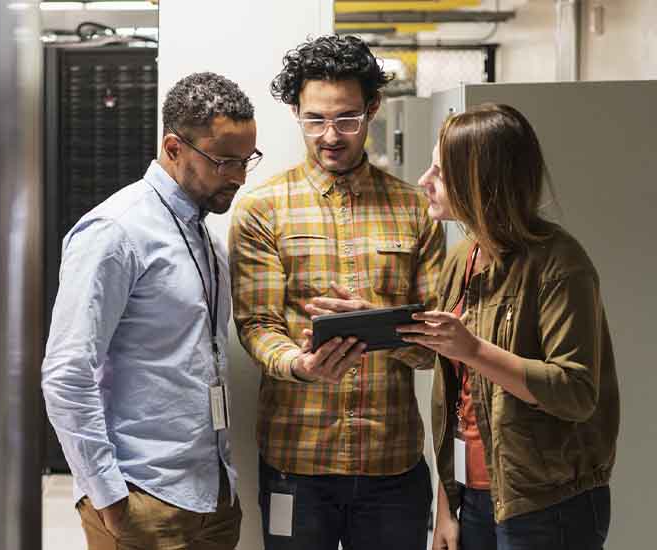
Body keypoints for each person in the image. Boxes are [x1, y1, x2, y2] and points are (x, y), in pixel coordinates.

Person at [228, 35, 446, 550]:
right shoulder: (262, 208)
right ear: (295, 111)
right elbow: (257, 324)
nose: (330, 136)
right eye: (315, 120)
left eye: (347, 119)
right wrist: (297, 364)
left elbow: (440, 337)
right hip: (296, 462)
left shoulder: (415, 208)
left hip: (391, 464)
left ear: (373, 108)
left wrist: (388, 326)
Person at [41, 72, 260, 549]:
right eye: (224, 161)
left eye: (246, 160)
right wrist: (109, 498)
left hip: (213, 496)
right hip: (144, 499)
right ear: (174, 148)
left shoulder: (206, 238)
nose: (239, 176)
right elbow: (65, 373)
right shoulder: (115, 233)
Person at [400, 103, 619, 550]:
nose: (424, 180)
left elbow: (575, 392)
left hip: (548, 504)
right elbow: (459, 400)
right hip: (476, 499)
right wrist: (447, 506)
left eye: (440, 172)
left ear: (479, 181)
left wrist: (474, 350)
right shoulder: (462, 257)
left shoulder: (560, 263)